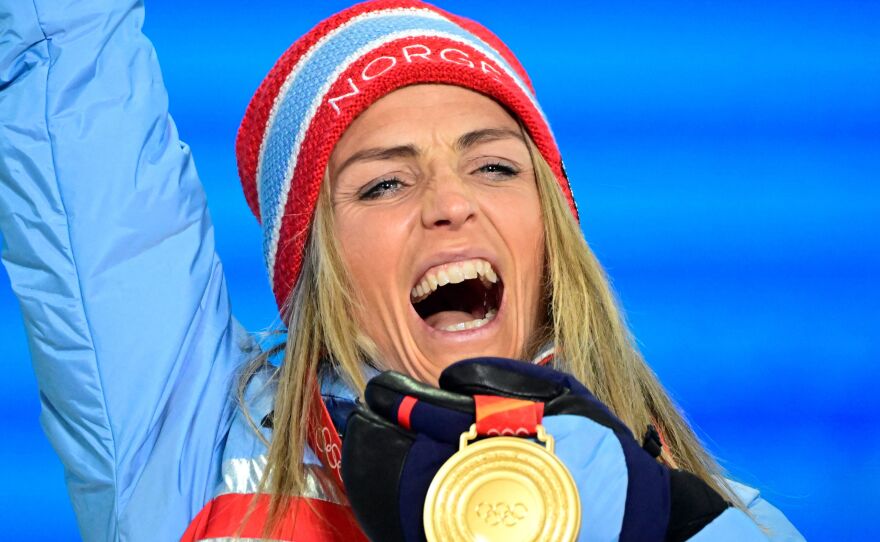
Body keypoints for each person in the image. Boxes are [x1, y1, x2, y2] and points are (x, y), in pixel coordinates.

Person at [0, 0, 804, 540]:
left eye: (492, 167)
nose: (449, 204)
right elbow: (64, 73)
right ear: (316, 269)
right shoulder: (192, 443)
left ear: (552, 236)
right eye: (384, 181)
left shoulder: (704, 516)